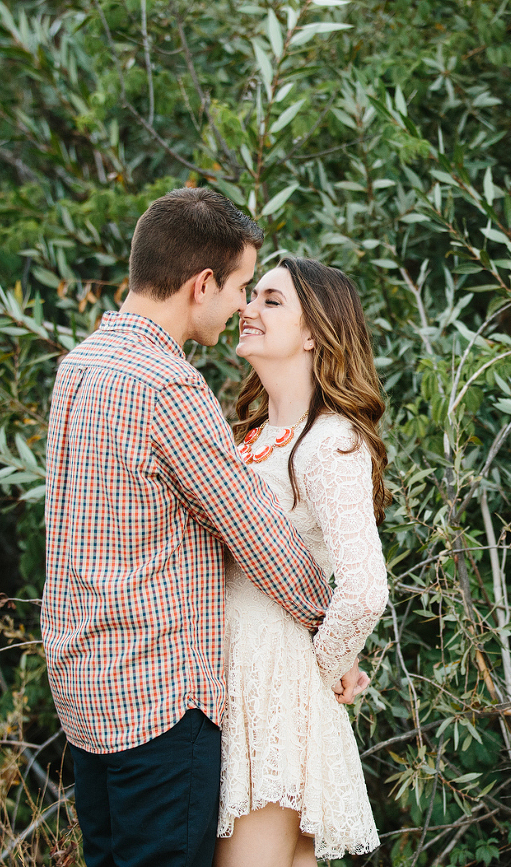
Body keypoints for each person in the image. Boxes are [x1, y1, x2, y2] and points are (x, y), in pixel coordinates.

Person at [41, 188, 334, 867]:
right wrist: (330, 623)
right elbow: (254, 529)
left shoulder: (79, 365)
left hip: (86, 692)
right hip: (158, 703)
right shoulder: (167, 386)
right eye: (238, 287)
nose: (241, 306)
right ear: (201, 283)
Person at [214, 257, 390, 866]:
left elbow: (366, 588)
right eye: (251, 296)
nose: (248, 309)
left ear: (314, 332)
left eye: (271, 301)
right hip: (239, 679)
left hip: (274, 689)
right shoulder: (250, 437)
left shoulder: (331, 442)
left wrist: (324, 663)